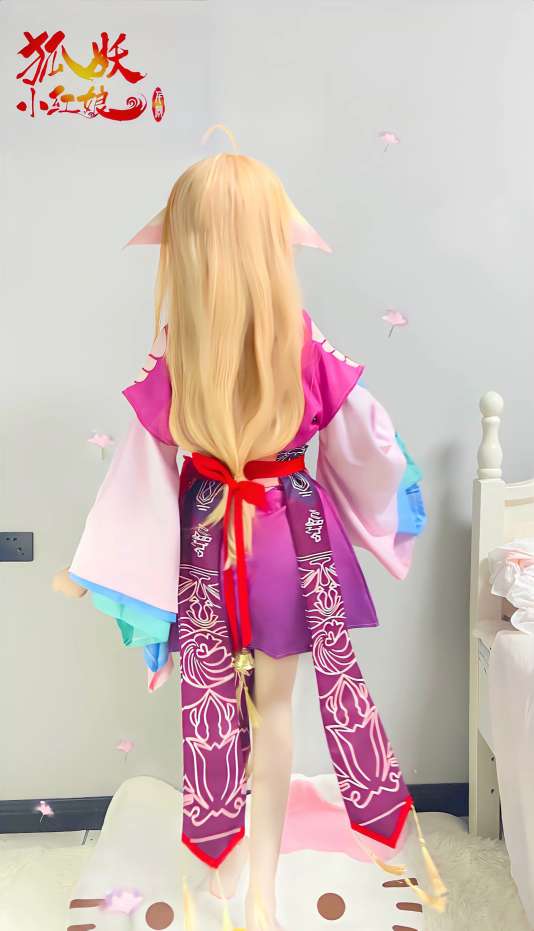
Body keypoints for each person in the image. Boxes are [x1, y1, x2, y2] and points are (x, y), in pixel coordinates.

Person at [54, 140, 428, 931]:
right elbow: (363, 436)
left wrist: (97, 564)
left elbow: (140, 467)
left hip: (207, 541)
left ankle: (230, 871)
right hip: (289, 537)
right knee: (275, 711)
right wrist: (399, 497)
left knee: (216, 706)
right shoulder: (299, 335)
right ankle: (258, 887)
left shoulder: (180, 340)